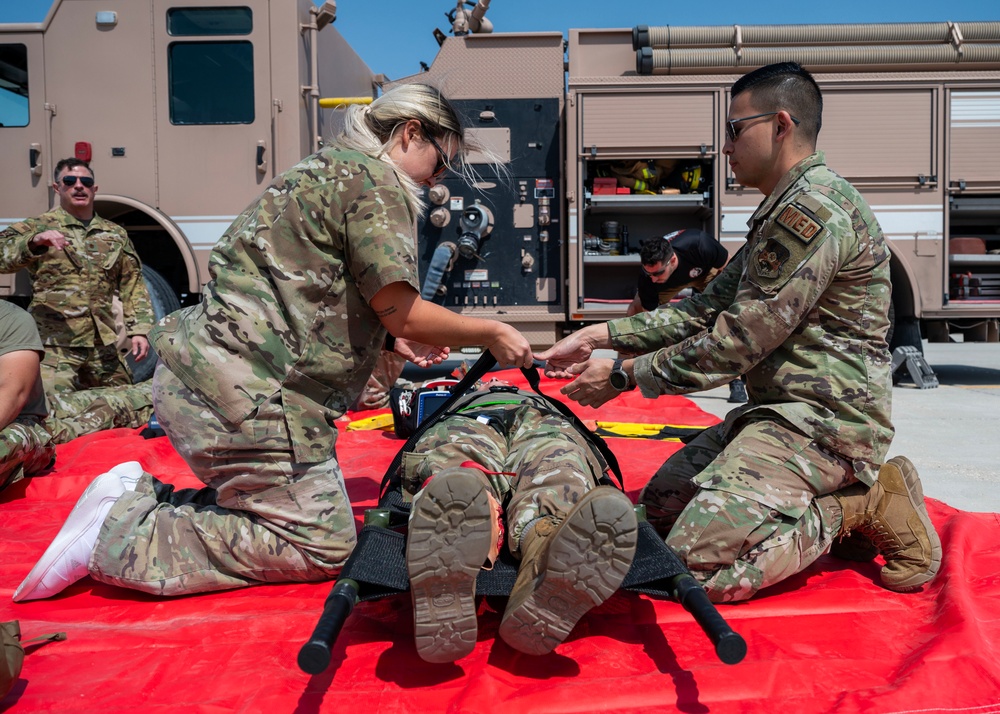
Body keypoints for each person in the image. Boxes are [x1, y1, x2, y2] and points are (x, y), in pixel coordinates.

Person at [13, 83, 534, 603]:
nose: (439, 178)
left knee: (308, 515)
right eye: (441, 161)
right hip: (242, 398)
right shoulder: (377, 181)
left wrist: (391, 344)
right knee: (320, 543)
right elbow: (400, 308)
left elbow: (308, 292)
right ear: (410, 133)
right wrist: (490, 331)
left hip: (207, 381)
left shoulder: (325, 170)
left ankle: (138, 498)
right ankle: (119, 532)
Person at [535, 62, 942, 603]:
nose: (724, 147)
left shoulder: (814, 212)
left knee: (689, 568)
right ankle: (838, 498)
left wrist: (625, 376)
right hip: (778, 416)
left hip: (826, 425)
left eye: (733, 130)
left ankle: (857, 504)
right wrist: (601, 336)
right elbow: (702, 309)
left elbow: (734, 343)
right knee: (657, 513)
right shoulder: (781, 212)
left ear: (780, 125)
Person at [403, 381, 637, 662]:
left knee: (559, 460)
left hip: (539, 417)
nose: (494, 380)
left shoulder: (533, 397)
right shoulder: (461, 393)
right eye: (489, 380)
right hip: (470, 416)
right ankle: (528, 551)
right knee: (458, 475)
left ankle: (543, 548)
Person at [0, 158, 155, 396]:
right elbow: (2, 256)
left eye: (86, 181)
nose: (79, 186)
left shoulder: (114, 234)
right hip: (56, 346)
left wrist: (140, 330)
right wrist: (33, 242)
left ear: (94, 189)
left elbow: (132, 284)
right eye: (70, 181)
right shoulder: (37, 226)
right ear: (57, 188)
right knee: (51, 412)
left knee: (127, 405)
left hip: (102, 346)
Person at [0, 301, 154, 494]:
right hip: (43, 402)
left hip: (26, 418)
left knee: (111, 407)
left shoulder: (9, 318)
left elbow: (13, 394)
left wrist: (139, 328)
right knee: (93, 402)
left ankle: (158, 390)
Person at [627, 229, 747, 403]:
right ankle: (624, 368)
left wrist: (723, 301)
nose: (652, 278)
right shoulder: (649, 280)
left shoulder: (700, 244)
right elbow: (649, 323)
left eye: (657, 273)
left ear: (673, 260)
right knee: (634, 311)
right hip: (668, 284)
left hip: (705, 273)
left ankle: (735, 382)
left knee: (727, 318)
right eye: (649, 273)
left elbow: (731, 273)